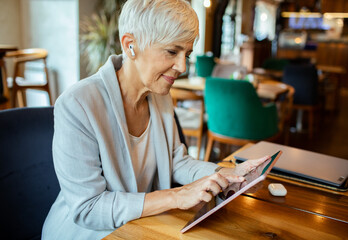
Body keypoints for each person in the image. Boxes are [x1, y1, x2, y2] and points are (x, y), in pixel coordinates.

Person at [42, 0, 269, 239]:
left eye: (187, 54)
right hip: (87, 233)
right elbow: (89, 208)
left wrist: (227, 174)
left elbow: (176, 162)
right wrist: (176, 196)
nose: (182, 66)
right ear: (130, 45)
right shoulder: (77, 104)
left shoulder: (159, 95)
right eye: (172, 51)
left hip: (139, 225)